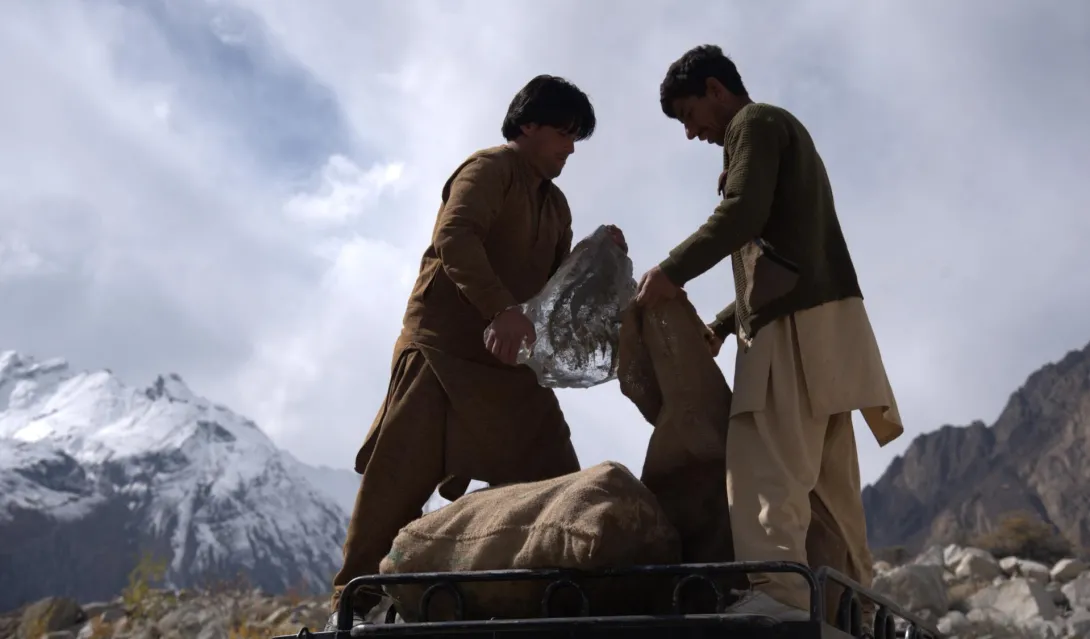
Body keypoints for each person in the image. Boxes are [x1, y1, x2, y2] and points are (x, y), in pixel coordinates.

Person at [327, 75, 620, 629]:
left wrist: (594, 257)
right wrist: (499, 310)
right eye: (564, 133)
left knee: (558, 484)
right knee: (392, 493)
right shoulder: (488, 169)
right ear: (528, 125)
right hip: (442, 354)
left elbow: (554, 291)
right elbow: (455, 237)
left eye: (577, 137)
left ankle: (567, 607)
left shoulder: (555, 206)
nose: (571, 148)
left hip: (509, 370)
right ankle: (352, 611)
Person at [635, 44, 905, 621]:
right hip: (832, 327)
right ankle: (853, 606)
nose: (691, 134)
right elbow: (786, 256)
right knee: (831, 489)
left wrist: (670, 271)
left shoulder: (752, 123)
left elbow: (744, 214)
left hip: (791, 334)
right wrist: (724, 324)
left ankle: (778, 597)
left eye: (688, 116)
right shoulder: (784, 130)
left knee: (763, 460)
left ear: (715, 89)